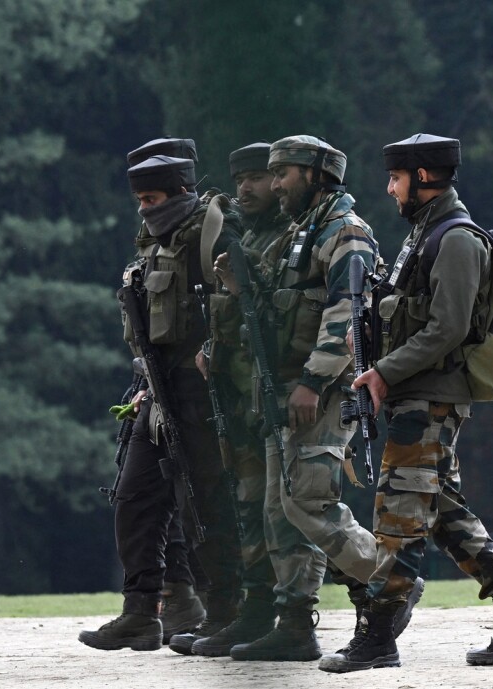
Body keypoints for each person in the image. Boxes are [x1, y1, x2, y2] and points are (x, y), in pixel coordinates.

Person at [320, 133, 493, 673]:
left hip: (430, 398)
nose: (389, 188)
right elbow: (409, 316)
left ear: (423, 179)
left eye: (397, 179)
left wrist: (382, 370)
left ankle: (376, 637)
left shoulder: (456, 240)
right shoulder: (426, 235)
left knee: (398, 516)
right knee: (443, 512)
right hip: (415, 394)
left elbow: (447, 329)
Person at [214, 135, 421, 662]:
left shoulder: (345, 233)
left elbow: (346, 315)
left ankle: (391, 579)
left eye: (283, 172)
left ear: (315, 173)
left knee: (307, 502)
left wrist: (312, 379)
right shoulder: (301, 231)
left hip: (321, 391)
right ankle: (296, 626)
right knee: (279, 509)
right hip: (284, 389)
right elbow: (283, 305)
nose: (275, 182)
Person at [78, 141, 244, 652]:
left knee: (207, 503)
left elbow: (240, 311)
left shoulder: (212, 235)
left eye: (153, 198)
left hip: (204, 393)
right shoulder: (153, 242)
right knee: (134, 497)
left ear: (181, 191)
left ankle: (224, 610)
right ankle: (139, 612)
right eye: (141, 201)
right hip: (157, 389)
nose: (146, 209)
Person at [172, 142, 329, 657]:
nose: (248, 189)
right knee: (251, 510)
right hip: (239, 395)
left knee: (288, 512)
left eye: (262, 178)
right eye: (242, 181)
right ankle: (257, 610)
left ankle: (303, 618)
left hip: (277, 390)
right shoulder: (240, 236)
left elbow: (290, 317)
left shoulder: (296, 239)